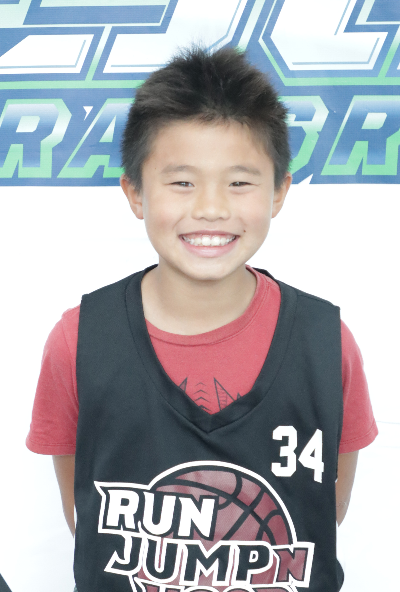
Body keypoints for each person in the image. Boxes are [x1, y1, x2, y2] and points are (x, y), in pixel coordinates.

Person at [26, 47, 377, 592]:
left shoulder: (326, 343)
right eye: (182, 182)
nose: (211, 208)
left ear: (279, 192)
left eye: (239, 183)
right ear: (135, 193)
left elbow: (324, 509)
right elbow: (87, 514)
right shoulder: (79, 342)